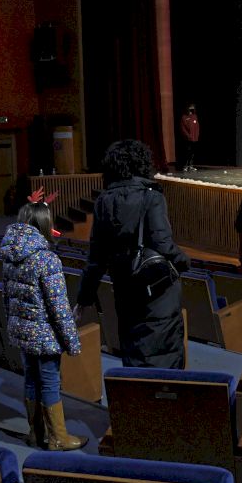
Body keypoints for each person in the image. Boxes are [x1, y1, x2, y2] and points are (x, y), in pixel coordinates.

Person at [77, 140, 190, 368]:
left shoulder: (103, 202)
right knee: (164, 353)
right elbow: (162, 243)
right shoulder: (151, 196)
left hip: (125, 290)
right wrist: (183, 261)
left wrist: (84, 299)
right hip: (157, 292)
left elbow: (96, 260)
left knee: (135, 351)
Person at [1, 199, 86, 451]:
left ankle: (36, 433)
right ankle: (58, 438)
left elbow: (7, 297)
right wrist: (72, 342)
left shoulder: (10, 254)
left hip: (22, 330)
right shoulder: (47, 259)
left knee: (31, 379)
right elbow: (59, 308)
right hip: (44, 335)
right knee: (50, 382)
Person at [179, 104, 200, 172]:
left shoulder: (195, 116)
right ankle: (185, 166)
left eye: (192, 109)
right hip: (187, 139)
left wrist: (196, 136)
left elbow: (197, 127)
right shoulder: (184, 117)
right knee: (187, 152)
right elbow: (183, 128)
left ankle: (191, 166)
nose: (191, 110)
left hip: (194, 139)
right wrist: (188, 136)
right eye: (190, 109)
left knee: (192, 153)